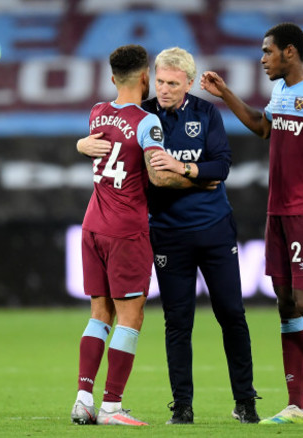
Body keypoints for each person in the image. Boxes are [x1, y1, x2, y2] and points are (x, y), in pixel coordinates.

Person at [200, 22, 303, 424]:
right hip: (279, 212)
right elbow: (262, 127)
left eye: (267, 51)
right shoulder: (282, 92)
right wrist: (225, 95)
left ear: (290, 52)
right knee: (286, 304)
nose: (262, 59)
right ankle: (297, 405)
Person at [70, 44, 197, 427]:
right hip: (126, 230)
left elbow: (94, 146)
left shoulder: (97, 112)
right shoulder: (147, 122)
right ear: (145, 78)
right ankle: (111, 406)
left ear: (112, 78)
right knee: (131, 316)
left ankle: (82, 400)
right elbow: (158, 175)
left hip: (93, 224)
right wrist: (197, 176)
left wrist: (79, 144)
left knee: (99, 315)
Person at [145, 47, 260, 425]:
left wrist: (180, 166)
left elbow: (222, 167)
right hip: (168, 233)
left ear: (189, 83)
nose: (164, 89)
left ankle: (245, 402)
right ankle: (182, 407)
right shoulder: (144, 115)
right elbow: (153, 180)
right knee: (178, 322)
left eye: (173, 84)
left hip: (214, 231)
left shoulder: (206, 113)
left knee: (232, 314)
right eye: (160, 81)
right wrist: (197, 176)